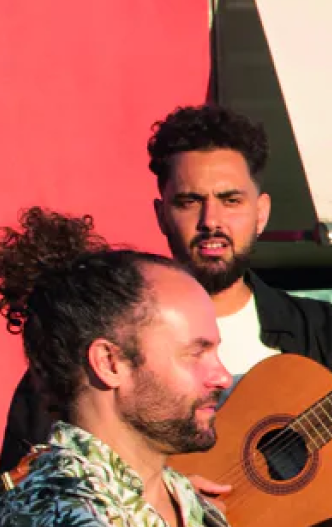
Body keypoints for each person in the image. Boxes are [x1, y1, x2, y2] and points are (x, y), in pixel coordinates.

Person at [1, 103, 332, 489]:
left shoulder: (319, 335)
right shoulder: (96, 350)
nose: (211, 220)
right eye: (189, 201)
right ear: (161, 214)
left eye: (231, 200)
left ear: (262, 212)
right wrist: (162, 497)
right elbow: (24, 492)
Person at [0, 208, 232, 526]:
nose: (222, 377)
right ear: (110, 363)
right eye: (195, 353)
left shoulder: (182, 497)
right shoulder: (62, 514)